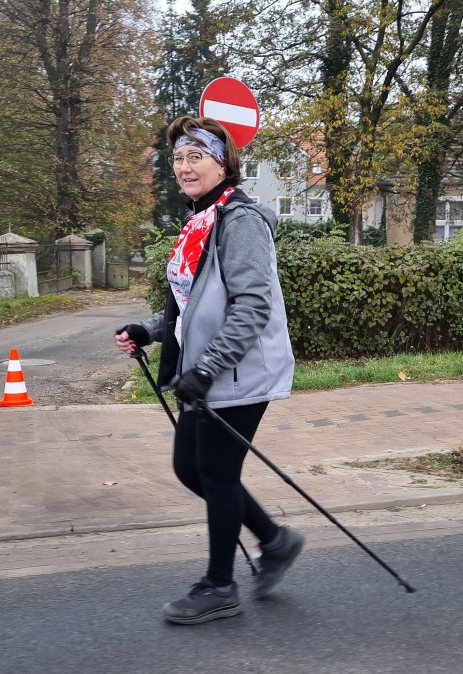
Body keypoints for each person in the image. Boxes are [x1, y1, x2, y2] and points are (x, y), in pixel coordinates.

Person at [115, 116, 302, 625]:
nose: (184, 166)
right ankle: (275, 539)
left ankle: (220, 586)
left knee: (217, 474)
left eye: (196, 155)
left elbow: (251, 308)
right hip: (201, 370)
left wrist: (208, 368)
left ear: (223, 162)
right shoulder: (201, 219)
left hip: (238, 371)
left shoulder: (239, 220)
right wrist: (149, 329)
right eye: (178, 157)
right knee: (189, 469)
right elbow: (187, 302)